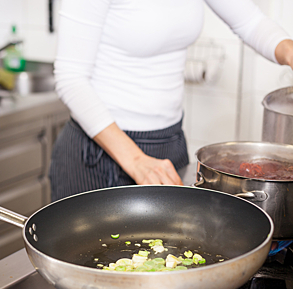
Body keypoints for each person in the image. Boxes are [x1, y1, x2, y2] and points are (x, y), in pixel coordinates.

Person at [49, 0, 293, 201]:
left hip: (169, 142)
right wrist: (135, 161)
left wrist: (290, 52)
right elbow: (70, 78)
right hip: (101, 151)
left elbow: (250, 22)